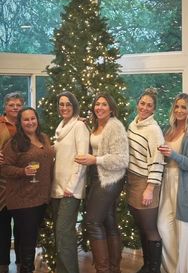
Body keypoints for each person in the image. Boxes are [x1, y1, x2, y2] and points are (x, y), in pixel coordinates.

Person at [75, 92, 129, 273]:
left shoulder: (115, 127)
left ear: (111, 108)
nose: (99, 107)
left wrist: (95, 160)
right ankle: (114, 269)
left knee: (92, 222)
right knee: (108, 222)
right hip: (98, 177)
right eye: (97, 104)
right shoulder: (97, 126)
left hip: (110, 179)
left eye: (104, 104)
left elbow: (122, 160)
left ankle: (103, 270)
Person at [1, 107, 54, 273]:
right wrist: (23, 171)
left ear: (37, 120)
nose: (30, 122)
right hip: (23, 199)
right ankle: (26, 269)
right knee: (28, 242)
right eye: (26, 119)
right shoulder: (15, 143)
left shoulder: (44, 138)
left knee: (31, 238)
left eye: (33, 118)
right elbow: (4, 167)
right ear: (20, 122)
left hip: (42, 197)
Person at [158, 93, 188, 273]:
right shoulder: (167, 130)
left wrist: (173, 154)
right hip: (167, 182)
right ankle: (171, 269)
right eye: (177, 106)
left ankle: (183, 270)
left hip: (185, 186)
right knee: (163, 225)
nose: (179, 110)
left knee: (184, 234)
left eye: (184, 107)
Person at [126, 88, 165, 273]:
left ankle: (154, 269)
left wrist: (149, 189)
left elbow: (157, 161)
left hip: (146, 182)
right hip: (132, 182)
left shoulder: (154, 130)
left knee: (150, 229)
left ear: (154, 109)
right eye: (142, 103)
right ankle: (147, 265)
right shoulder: (133, 125)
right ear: (137, 104)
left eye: (149, 105)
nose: (145, 107)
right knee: (142, 228)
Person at [51, 91, 90, 273]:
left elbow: (81, 160)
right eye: (61, 104)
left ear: (74, 106)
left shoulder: (79, 127)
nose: (64, 107)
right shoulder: (60, 128)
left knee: (64, 233)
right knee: (60, 234)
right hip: (56, 189)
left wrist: (71, 186)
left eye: (68, 104)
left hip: (70, 190)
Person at [0, 92, 24, 273]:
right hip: (2, 184)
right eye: (12, 104)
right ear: (5, 107)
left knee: (22, 227)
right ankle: (3, 264)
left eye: (18, 105)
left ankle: (23, 263)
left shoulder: (26, 125)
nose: (15, 107)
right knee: (2, 228)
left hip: (22, 183)